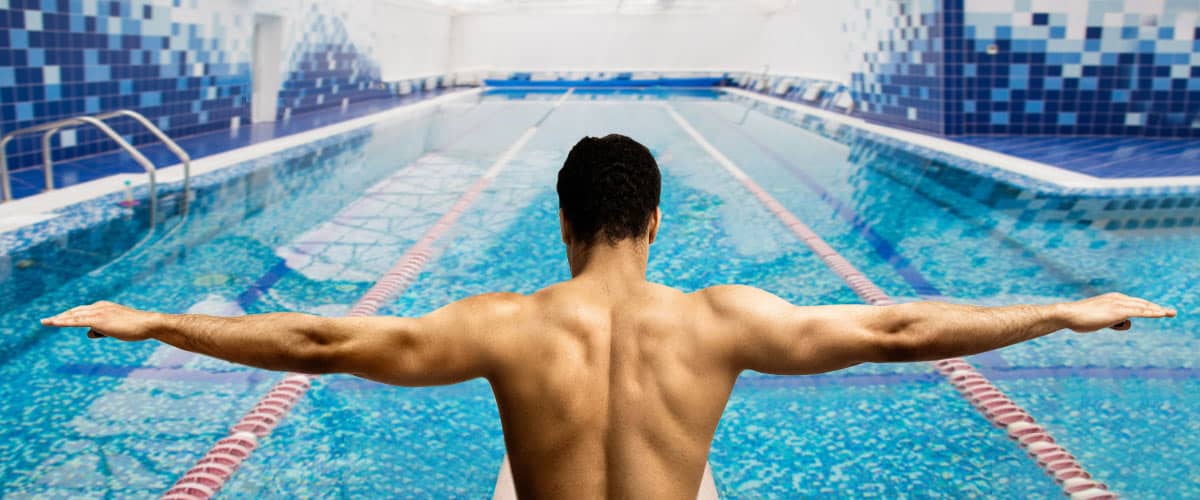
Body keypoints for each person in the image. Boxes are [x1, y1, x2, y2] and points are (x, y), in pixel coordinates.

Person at [42, 134, 1175, 499]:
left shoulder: (506, 322)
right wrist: (1065, 310)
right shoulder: (720, 317)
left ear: (562, 218)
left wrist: (150, 320)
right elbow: (899, 331)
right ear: (658, 221)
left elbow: (320, 340)